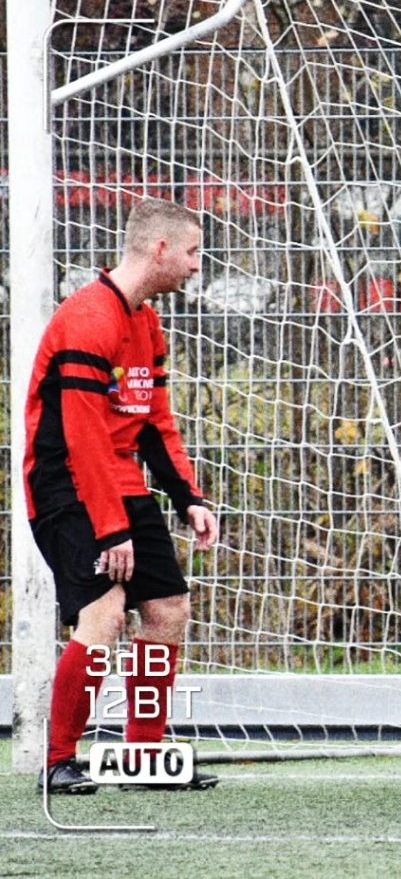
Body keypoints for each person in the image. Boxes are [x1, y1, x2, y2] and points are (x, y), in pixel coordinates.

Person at [27, 198, 220, 793]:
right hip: (66, 484)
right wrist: (112, 530)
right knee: (105, 615)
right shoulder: (89, 318)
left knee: (168, 612)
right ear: (159, 250)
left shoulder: (147, 322)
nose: (195, 265)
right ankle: (58, 760)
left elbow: (153, 422)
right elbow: (81, 437)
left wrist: (188, 496)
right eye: (191, 252)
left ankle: (145, 757)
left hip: (120, 482)